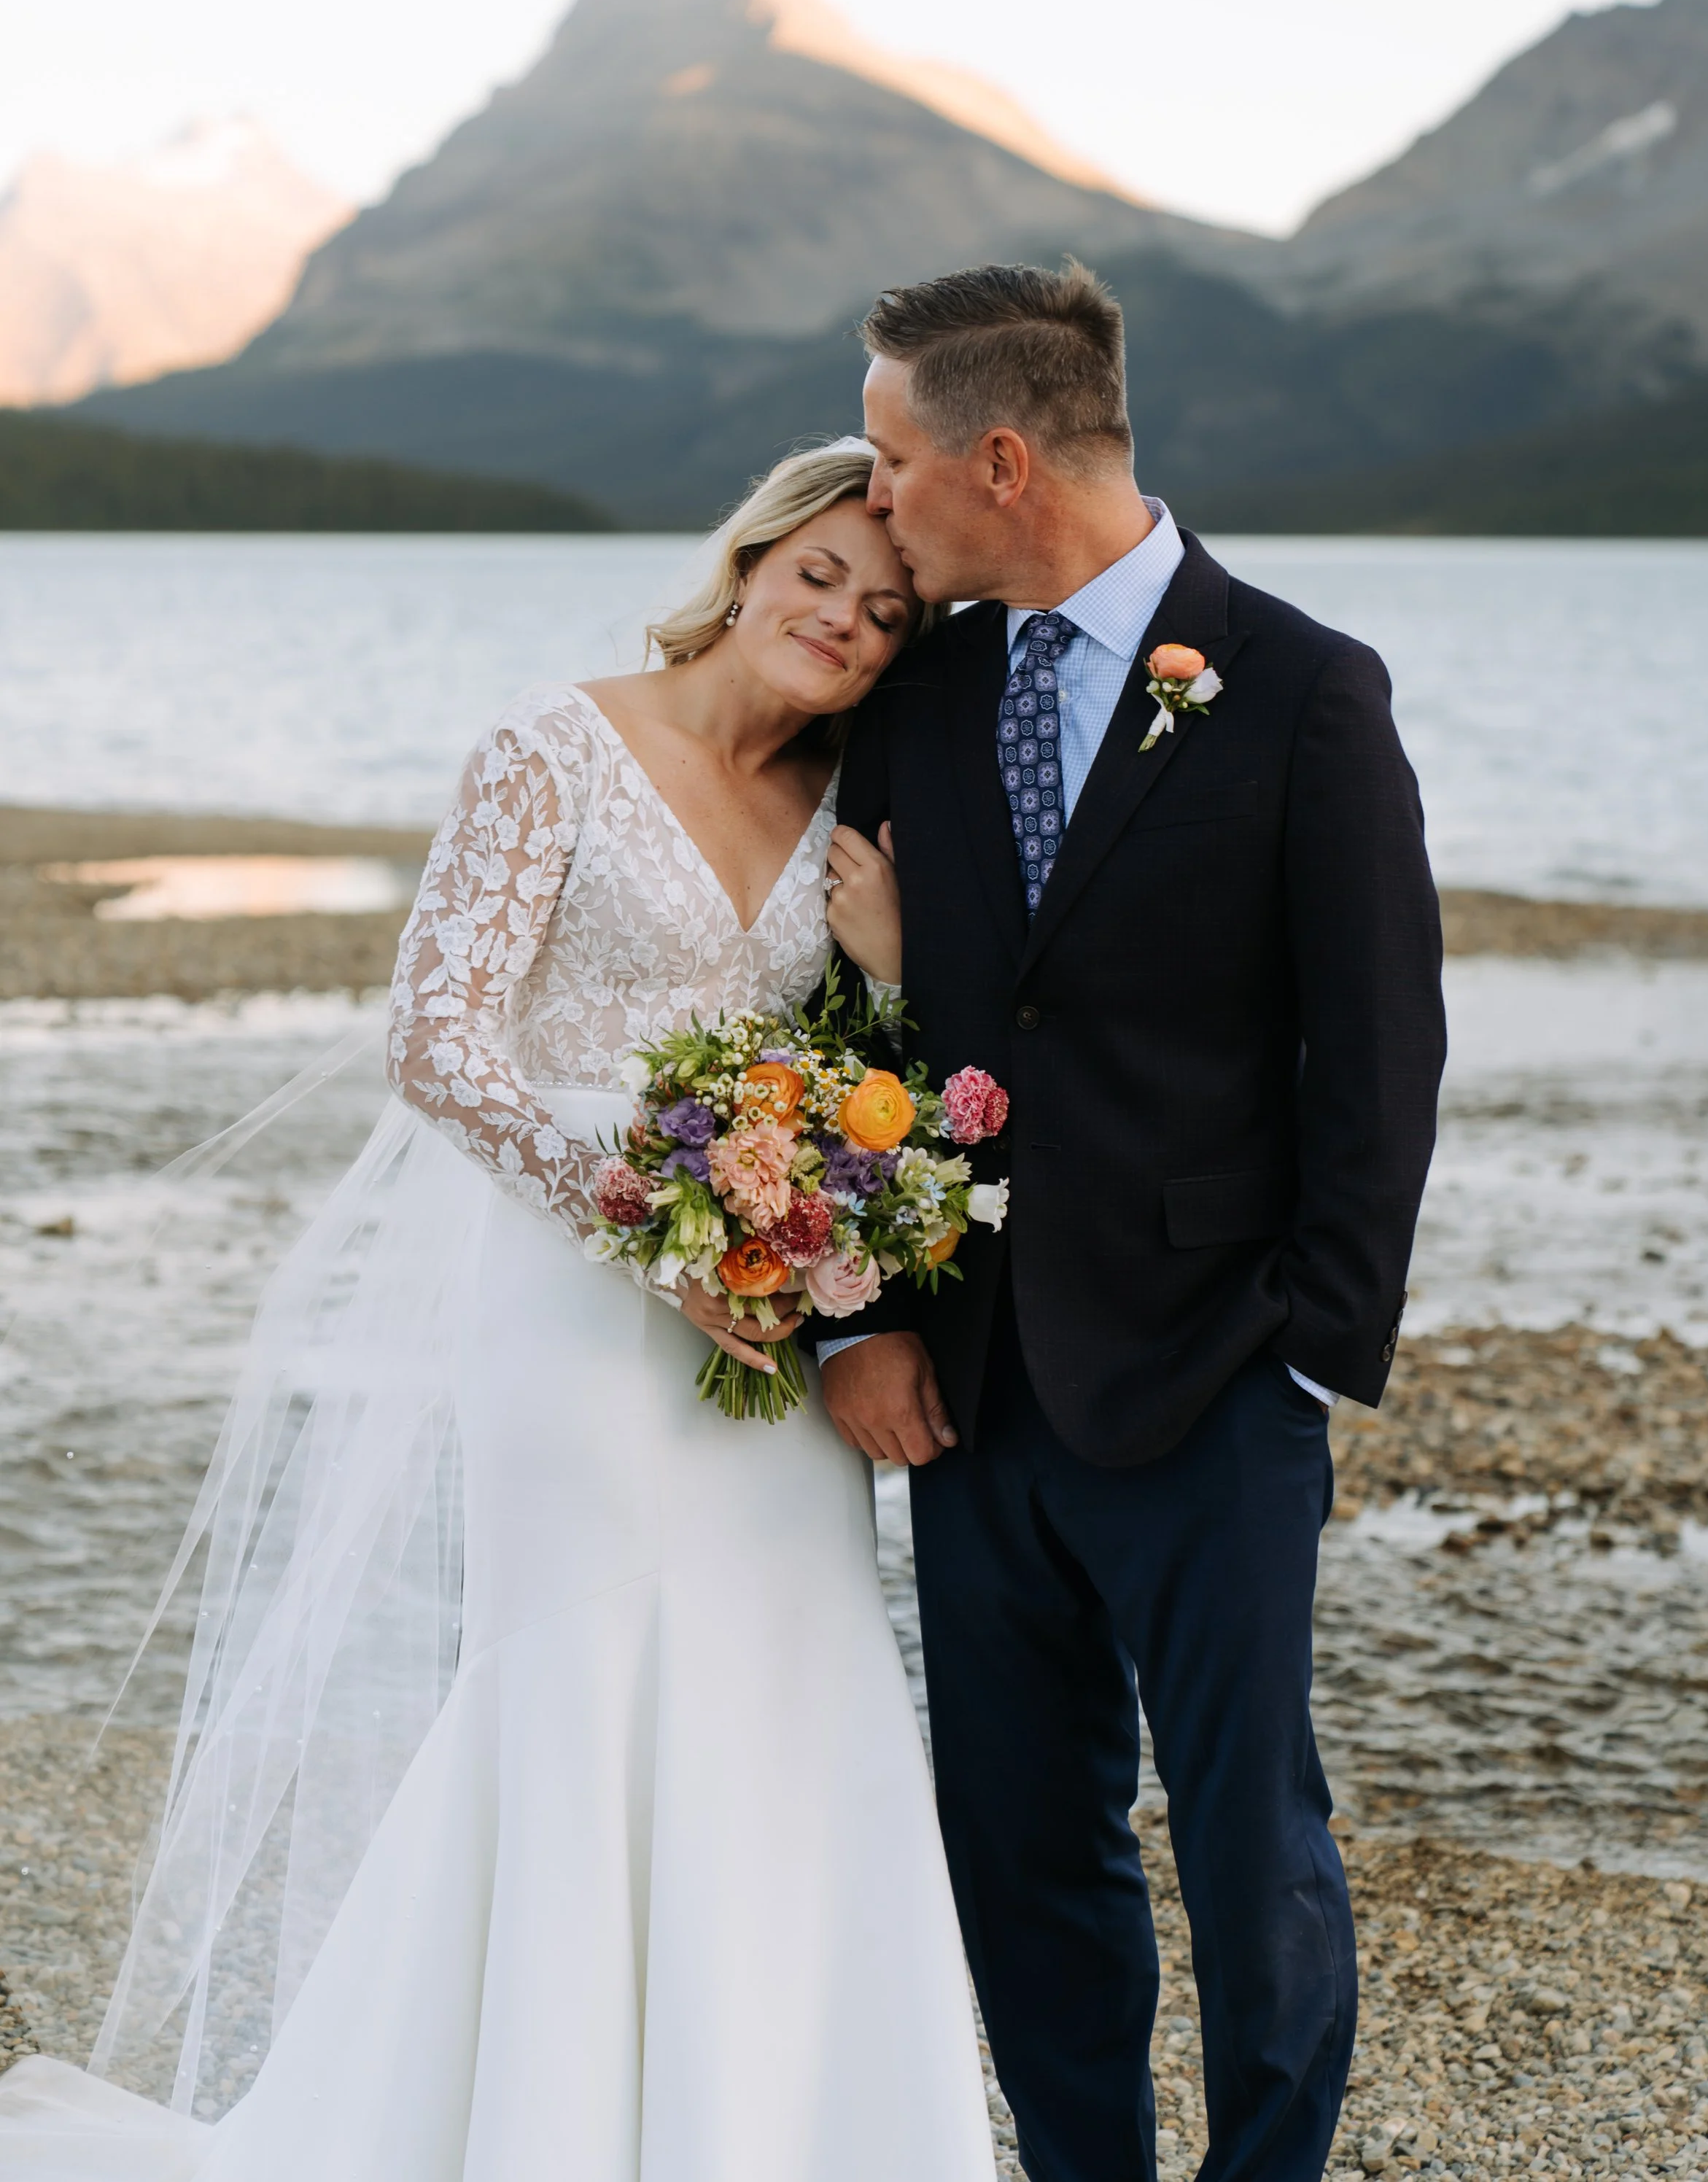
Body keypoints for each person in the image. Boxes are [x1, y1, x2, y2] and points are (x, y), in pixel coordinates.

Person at [0, 442, 995, 2182]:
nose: (844, 619)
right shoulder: (554, 749)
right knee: (581, 1674)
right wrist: (651, 1230)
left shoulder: (850, 815)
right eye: (824, 574)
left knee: (791, 1673)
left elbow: (855, 1079)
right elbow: (438, 1047)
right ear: (754, 559)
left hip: (752, 1315)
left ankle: (774, 2130)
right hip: (570, 1304)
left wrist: (892, 982)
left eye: (887, 609)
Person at [817, 263, 1448, 2182]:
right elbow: (853, 1015)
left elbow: (1380, 1044)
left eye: (891, 454)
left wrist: (1308, 1350)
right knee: (1018, 1831)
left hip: (1210, 1373)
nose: (873, 497)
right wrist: (865, 1311)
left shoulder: (1297, 684)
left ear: (999, 458)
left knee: (1250, 1832)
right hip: (970, 1381)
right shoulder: (917, 689)